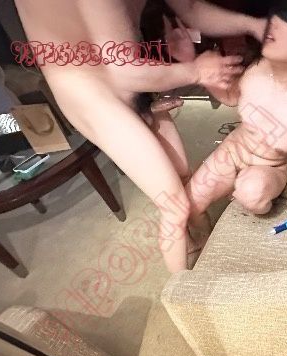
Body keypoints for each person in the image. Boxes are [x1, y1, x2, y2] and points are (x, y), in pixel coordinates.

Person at [13, 0, 266, 273]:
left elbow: (190, 8)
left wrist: (255, 25)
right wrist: (195, 71)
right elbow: (125, 72)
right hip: (91, 95)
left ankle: (201, 242)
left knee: (181, 177)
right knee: (174, 206)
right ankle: (182, 291)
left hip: (128, 73)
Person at [184, 0, 287, 246]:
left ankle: (239, 188)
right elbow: (231, 98)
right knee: (190, 204)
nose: (274, 24)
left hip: (269, 167)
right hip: (233, 150)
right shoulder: (256, 68)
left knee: (250, 192)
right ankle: (204, 242)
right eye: (276, 16)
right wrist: (205, 78)